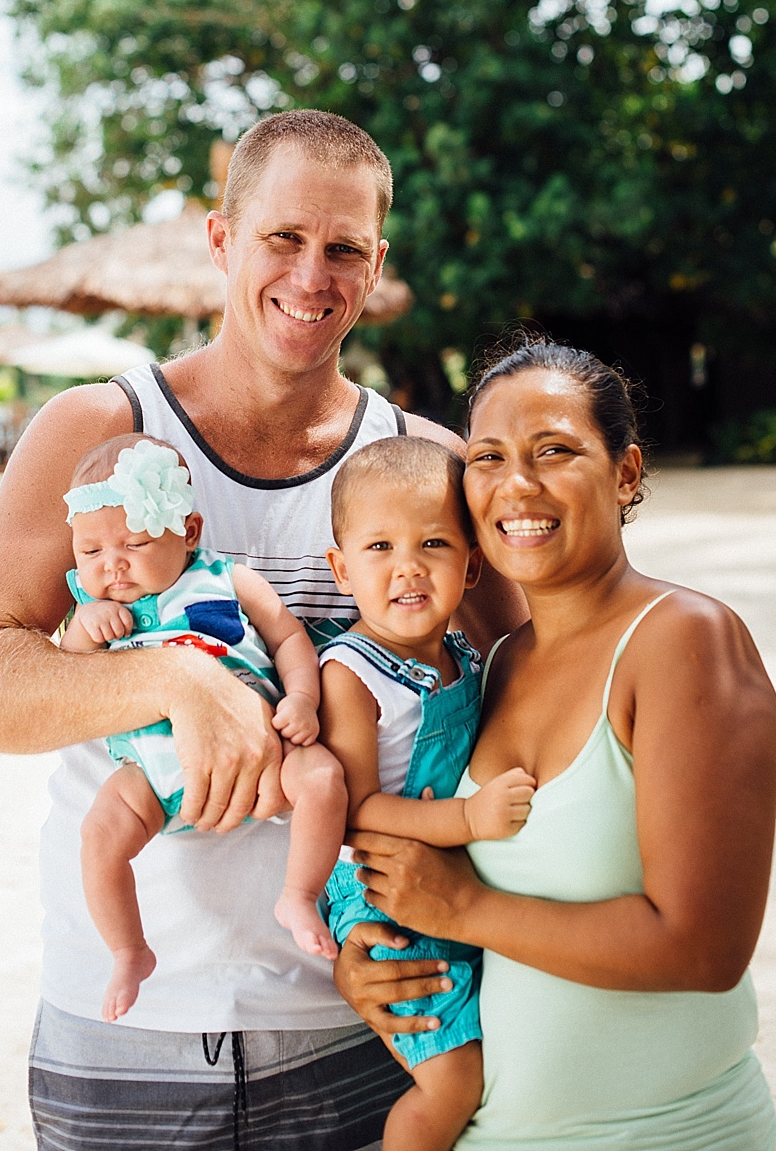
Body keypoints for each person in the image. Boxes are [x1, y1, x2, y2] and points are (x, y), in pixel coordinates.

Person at [0, 110, 776, 1151]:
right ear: (221, 240)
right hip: (129, 1030)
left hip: (358, 1020)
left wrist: (733, 742)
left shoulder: (426, 464)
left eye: (343, 249)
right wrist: (175, 681)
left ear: (374, 264)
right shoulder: (102, 433)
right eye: (282, 239)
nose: (312, 275)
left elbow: (555, 666)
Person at [345, 340, 776, 1149]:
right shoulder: (495, 661)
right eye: (488, 457)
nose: (517, 484)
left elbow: (704, 947)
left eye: (554, 450)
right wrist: (374, 957)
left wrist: (468, 908)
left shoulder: (681, 637)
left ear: (625, 473)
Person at [61, 432, 347, 1022]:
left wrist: (303, 698)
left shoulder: (227, 579)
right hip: (152, 772)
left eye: (134, 543)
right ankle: (128, 949)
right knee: (98, 836)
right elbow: (68, 680)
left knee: (322, 779)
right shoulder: (94, 613)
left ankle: (298, 895)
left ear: (187, 532)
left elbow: (289, 637)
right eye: (89, 553)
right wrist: (86, 627)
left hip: (266, 744)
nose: (111, 564)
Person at [320, 435, 536, 1151]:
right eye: (378, 548)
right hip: (381, 891)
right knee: (453, 1083)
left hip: (451, 883)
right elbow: (354, 812)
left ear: (472, 565)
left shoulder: (465, 654)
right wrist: (467, 817)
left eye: (434, 543)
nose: (407, 566)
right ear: (340, 568)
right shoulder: (351, 673)